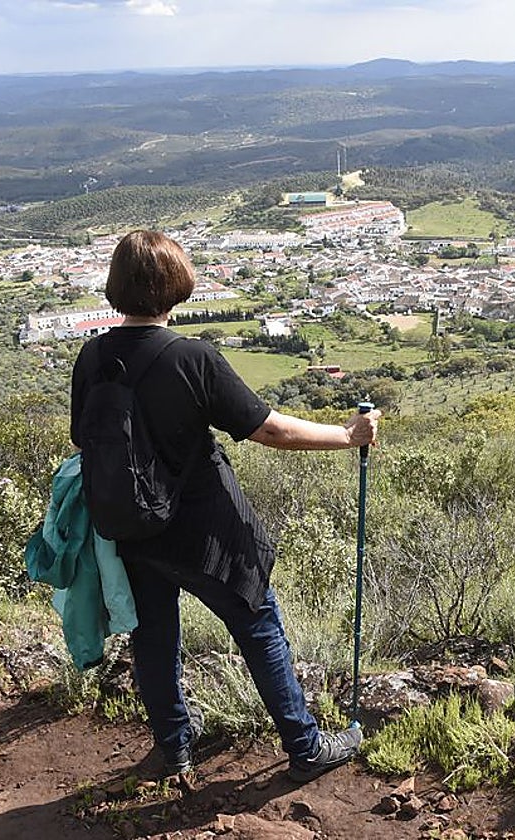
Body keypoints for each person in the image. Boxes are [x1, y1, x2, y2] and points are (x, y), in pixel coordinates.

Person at [70, 229, 380, 782]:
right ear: (175, 285)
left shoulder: (92, 356)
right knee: (259, 625)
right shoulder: (193, 358)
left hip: (134, 529)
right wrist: (348, 435)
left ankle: (176, 752)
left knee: (154, 640)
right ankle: (305, 747)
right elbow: (270, 430)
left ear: (119, 286)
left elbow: (82, 438)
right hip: (208, 530)